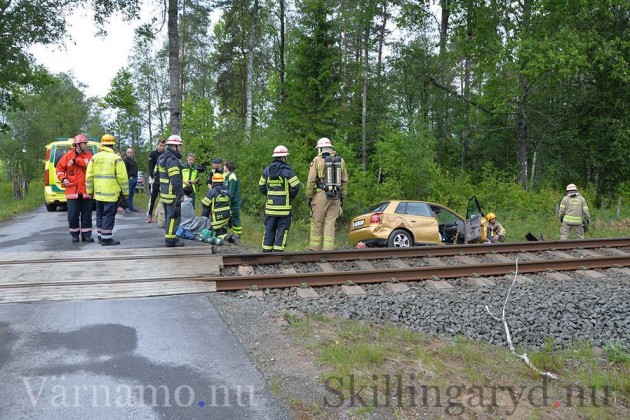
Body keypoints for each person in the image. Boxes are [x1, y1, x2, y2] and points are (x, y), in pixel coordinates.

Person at [306, 137, 348, 251]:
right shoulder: (341, 161)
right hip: (336, 197)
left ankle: (314, 250)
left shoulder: (317, 160)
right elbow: (345, 181)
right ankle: (328, 251)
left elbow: (310, 181)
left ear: (320, 149)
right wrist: (342, 197)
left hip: (321, 196)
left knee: (317, 223)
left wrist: (309, 197)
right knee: (330, 224)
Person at [86, 134, 129, 245]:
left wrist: (90, 191)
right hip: (111, 193)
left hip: (98, 193)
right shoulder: (116, 158)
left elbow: (89, 176)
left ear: (102, 144)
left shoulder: (95, 158)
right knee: (108, 215)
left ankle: (101, 236)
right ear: (112, 145)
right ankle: (106, 239)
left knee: (99, 215)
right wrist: (125, 193)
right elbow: (122, 177)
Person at [258, 145, 300, 252]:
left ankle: (266, 253)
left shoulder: (267, 171)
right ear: (284, 157)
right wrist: (289, 197)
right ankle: (278, 254)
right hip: (284, 209)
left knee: (269, 230)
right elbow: (296, 186)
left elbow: (261, 187)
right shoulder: (288, 171)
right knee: (282, 230)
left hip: (270, 208)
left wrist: (269, 195)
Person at [55, 133, 94, 243]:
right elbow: (59, 169)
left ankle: (86, 235)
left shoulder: (89, 156)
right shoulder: (67, 156)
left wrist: (76, 161)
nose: (86, 145)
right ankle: (75, 235)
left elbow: (89, 164)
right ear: (77, 144)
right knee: (73, 215)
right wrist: (63, 179)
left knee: (87, 215)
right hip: (72, 191)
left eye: (86, 143)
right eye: (84, 143)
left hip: (86, 191)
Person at [157, 134, 186, 247]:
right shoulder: (173, 160)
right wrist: (181, 194)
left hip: (164, 193)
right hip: (172, 194)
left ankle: (169, 237)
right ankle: (170, 240)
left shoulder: (162, 158)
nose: (181, 148)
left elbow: (156, 174)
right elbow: (175, 180)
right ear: (175, 146)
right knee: (173, 217)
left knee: (169, 216)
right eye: (180, 146)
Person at [201, 173, 232, 241]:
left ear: (213, 182)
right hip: (227, 217)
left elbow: (204, 204)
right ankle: (224, 234)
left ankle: (229, 238)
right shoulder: (227, 191)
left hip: (217, 218)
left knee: (217, 236)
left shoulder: (212, 191)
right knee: (221, 230)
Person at [146, 138, 166, 223]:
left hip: (163, 179)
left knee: (164, 198)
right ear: (157, 145)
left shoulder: (166, 154)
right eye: (160, 145)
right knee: (153, 197)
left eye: (163, 146)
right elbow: (150, 166)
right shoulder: (153, 154)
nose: (162, 147)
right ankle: (149, 214)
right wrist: (152, 177)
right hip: (155, 178)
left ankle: (162, 215)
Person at [224, 161, 242, 236]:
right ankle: (235, 235)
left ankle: (237, 236)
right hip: (231, 201)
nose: (223, 167)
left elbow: (231, 193)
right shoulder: (228, 176)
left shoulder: (232, 177)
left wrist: (224, 193)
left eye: (224, 166)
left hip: (235, 202)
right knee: (232, 218)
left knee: (235, 219)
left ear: (227, 167)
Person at [122, 148, 140, 213]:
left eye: (131, 152)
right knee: (128, 194)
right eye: (129, 152)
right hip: (130, 179)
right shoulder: (125, 161)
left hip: (135, 178)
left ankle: (131, 207)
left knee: (132, 194)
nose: (130, 153)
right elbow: (124, 170)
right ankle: (127, 208)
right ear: (126, 153)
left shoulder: (133, 161)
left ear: (133, 153)